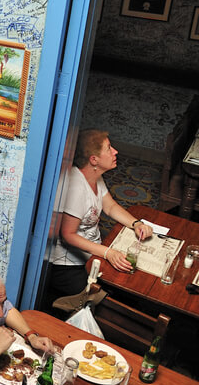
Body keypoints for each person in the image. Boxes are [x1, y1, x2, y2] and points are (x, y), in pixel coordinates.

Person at [46, 129, 153, 306]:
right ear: (94, 160)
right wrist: (108, 253)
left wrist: (136, 223)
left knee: (130, 278)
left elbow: (110, 206)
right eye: (109, 148)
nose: (115, 152)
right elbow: (68, 234)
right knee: (108, 300)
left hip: (92, 253)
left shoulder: (94, 175)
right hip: (68, 265)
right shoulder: (76, 187)